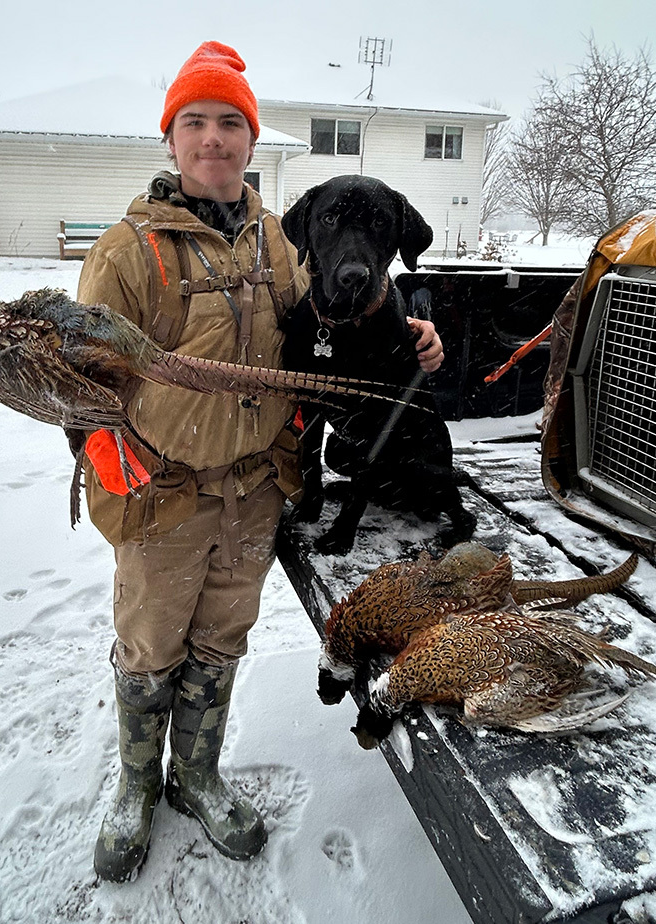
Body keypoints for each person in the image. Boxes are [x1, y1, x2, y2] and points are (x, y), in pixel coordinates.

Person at [76, 40, 446, 883]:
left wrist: (410, 330)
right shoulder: (129, 249)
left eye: (231, 124)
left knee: (219, 645)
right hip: (163, 498)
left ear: (249, 140)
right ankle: (137, 786)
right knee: (150, 648)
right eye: (195, 122)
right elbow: (78, 375)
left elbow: (332, 321)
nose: (214, 139)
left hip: (253, 494)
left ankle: (196, 776)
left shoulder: (282, 243)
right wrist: (102, 447)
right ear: (172, 139)